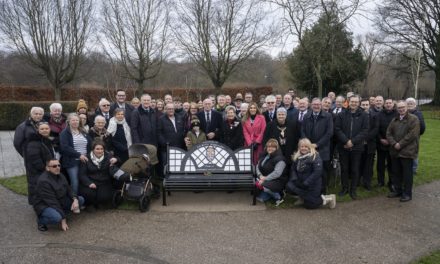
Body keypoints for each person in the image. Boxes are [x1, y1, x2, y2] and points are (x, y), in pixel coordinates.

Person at [33, 159, 84, 231]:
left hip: (60, 199)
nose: (57, 167)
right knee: (57, 218)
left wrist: (75, 199)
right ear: (47, 168)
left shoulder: (60, 174)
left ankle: (61, 212)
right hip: (45, 204)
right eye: (54, 166)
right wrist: (63, 219)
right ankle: (41, 221)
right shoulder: (44, 181)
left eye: (59, 165)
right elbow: (52, 202)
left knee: (80, 200)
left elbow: (69, 189)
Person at [334, 95, 369, 199]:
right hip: (343, 146)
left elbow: (365, 130)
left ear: (358, 103)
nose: (354, 103)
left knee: (355, 169)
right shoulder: (341, 114)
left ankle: (353, 189)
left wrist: (352, 141)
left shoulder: (364, 115)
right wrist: (346, 141)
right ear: (348, 102)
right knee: (344, 168)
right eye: (352, 101)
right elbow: (337, 129)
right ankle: (344, 188)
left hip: (357, 147)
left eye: (356, 102)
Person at [286, 138, 336, 209]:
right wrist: (295, 179)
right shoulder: (297, 157)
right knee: (289, 186)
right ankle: (303, 198)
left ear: (309, 147)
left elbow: (317, 172)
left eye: (306, 146)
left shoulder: (315, 157)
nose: (304, 148)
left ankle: (329, 198)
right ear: (299, 147)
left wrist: (307, 182)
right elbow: (293, 169)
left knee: (310, 206)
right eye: (302, 146)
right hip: (300, 182)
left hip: (312, 185)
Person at [386, 101, 420, 202]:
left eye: (403, 107)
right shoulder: (394, 119)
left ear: (407, 107)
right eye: (399, 108)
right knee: (396, 172)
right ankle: (398, 190)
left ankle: (407, 193)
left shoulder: (414, 119)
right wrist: (394, 143)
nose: (401, 109)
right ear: (397, 109)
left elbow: (412, 135)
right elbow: (388, 133)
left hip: (407, 151)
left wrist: (400, 144)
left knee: (407, 174)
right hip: (395, 150)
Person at [78, 141, 127, 211]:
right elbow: (82, 174)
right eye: (97, 149)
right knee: (88, 194)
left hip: (104, 182)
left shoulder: (108, 156)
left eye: (101, 149)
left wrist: (116, 159)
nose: (100, 151)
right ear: (93, 149)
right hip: (91, 182)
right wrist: (89, 183)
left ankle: (99, 203)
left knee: (103, 197)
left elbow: (119, 161)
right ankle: (90, 204)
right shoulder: (86, 158)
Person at [301, 98, 333, 194]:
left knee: (322, 172)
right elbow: (302, 131)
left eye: (318, 104)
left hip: (323, 149)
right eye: (314, 104)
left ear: (321, 105)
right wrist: (308, 145)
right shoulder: (306, 116)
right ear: (311, 105)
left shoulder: (328, 116)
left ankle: (322, 193)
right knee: (309, 171)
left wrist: (317, 144)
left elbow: (329, 133)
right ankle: (311, 192)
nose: (316, 106)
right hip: (308, 149)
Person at [60, 113, 92, 195]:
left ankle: (83, 200)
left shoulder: (83, 131)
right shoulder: (65, 133)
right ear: (69, 121)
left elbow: (90, 144)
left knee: (84, 181)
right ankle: (74, 201)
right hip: (72, 162)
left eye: (77, 120)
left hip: (84, 161)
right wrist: (79, 155)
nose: (75, 122)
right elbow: (65, 147)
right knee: (75, 182)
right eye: (73, 120)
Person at [24, 122, 55, 205]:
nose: (45, 130)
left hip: (46, 168)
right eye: (42, 129)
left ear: (50, 129)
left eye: (46, 128)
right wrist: (44, 167)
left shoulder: (46, 140)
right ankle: (39, 207)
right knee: (37, 187)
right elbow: (34, 158)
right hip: (38, 170)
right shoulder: (34, 141)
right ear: (37, 130)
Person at [255, 139, 287, 206]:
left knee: (264, 187)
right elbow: (257, 166)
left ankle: (279, 196)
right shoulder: (264, 156)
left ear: (276, 148)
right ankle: (269, 192)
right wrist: (260, 176)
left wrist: (264, 179)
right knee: (260, 198)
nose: (270, 148)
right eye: (268, 146)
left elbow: (277, 173)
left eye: (273, 147)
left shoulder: (280, 159)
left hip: (278, 180)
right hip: (265, 178)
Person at [377, 99, 396, 189]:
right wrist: (381, 139)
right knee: (380, 164)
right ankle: (380, 182)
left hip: (392, 144)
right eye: (387, 103)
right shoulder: (379, 114)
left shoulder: (397, 114)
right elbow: (376, 128)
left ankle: (391, 182)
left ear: (393, 104)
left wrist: (391, 140)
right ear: (384, 104)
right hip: (381, 143)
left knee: (391, 164)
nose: (388, 105)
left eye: (390, 103)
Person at [360, 99, 379, 191]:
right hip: (359, 143)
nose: (364, 106)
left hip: (370, 143)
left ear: (369, 105)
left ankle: (367, 182)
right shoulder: (357, 115)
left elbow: (376, 129)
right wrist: (361, 139)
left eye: (366, 105)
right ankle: (357, 181)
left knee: (369, 164)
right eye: (363, 105)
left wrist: (366, 138)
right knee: (359, 163)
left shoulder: (374, 116)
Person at [406, 97, 426, 174]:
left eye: (411, 103)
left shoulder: (418, 113)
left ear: (415, 105)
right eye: (408, 103)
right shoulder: (403, 112)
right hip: (404, 136)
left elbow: (422, 127)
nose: (410, 105)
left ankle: (414, 169)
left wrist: (417, 134)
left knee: (414, 152)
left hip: (415, 137)